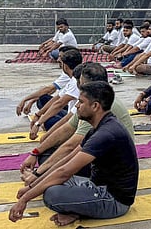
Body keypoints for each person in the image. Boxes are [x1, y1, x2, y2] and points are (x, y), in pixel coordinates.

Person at [8, 82, 138, 227]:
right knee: (52, 178)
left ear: (95, 106)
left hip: (114, 200)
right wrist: (32, 186)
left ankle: (77, 211)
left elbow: (64, 172)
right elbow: (65, 161)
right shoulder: (98, 127)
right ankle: (76, 208)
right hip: (95, 185)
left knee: (52, 194)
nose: (76, 106)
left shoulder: (106, 133)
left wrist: (24, 199)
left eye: (81, 102)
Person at [20, 63, 135, 181]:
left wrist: (37, 176)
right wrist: (35, 152)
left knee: (53, 192)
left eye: (80, 83)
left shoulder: (98, 105)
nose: (78, 87)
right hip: (99, 156)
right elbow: (67, 128)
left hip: (112, 167)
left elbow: (71, 146)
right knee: (47, 153)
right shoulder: (94, 100)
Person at [29, 48, 82, 137]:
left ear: (65, 65)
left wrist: (39, 123)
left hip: (75, 118)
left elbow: (60, 104)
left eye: (60, 61)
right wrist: (38, 115)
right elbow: (57, 99)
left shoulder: (75, 81)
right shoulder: (73, 78)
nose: (58, 61)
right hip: (71, 113)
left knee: (49, 122)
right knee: (43, 100)